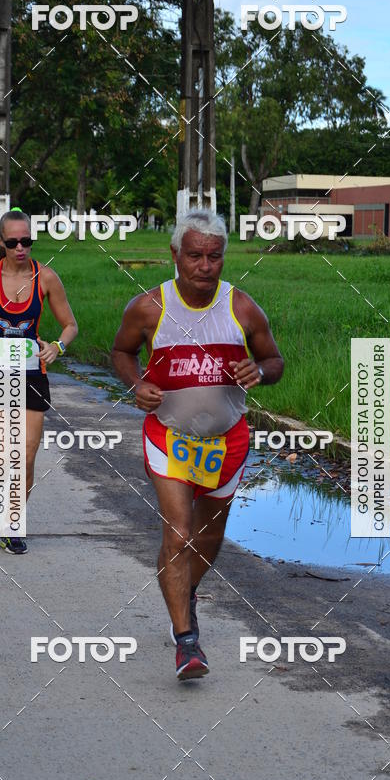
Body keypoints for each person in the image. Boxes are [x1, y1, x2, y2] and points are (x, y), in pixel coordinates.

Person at [112, 209, 284, 680]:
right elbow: (121, 351)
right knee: (180, 533)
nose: (205, 266)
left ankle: (183, 593)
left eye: (214, 256)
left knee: (207, 540)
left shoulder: (242, 307)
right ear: (175, 255)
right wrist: (135, 384)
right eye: (194, 256)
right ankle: (187, 642)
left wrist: (261, 372)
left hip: (227, 441)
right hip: (168, 437)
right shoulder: (149, 307)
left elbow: (274, 360)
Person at [0, 208, 78, 554]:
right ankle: (6, 521)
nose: (21, 248)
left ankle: (8, 515)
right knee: (4, 454)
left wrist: (57, 347)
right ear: (1, 242)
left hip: (32, 375)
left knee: (27, 456)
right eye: (13, 242)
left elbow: (71, 325)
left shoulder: (46, 278)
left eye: (27, 241)